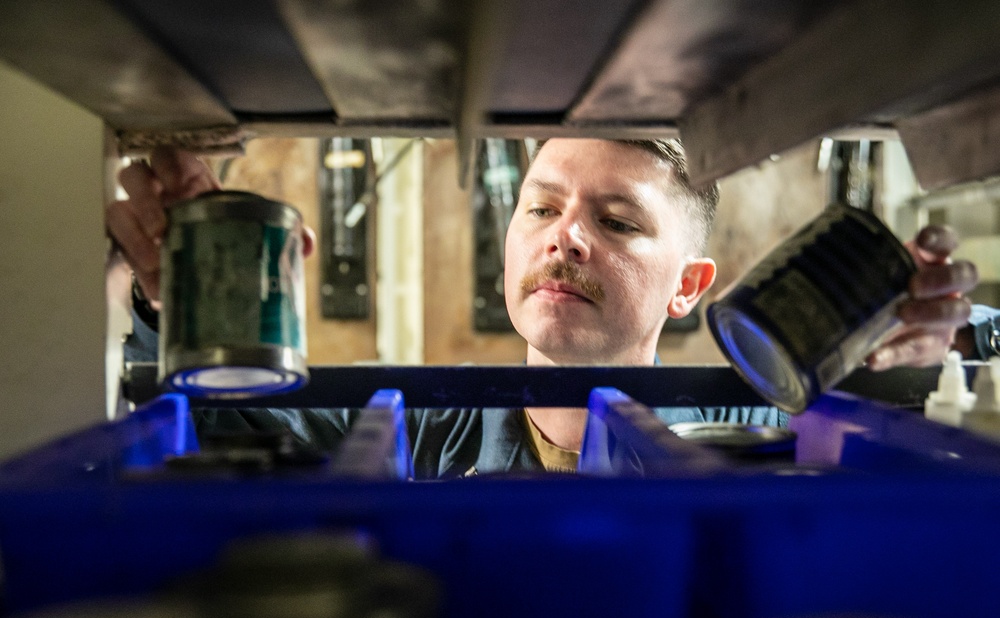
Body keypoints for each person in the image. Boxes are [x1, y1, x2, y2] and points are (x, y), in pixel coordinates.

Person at [109, 138, 983, 478]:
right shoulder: (406, 424)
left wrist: (898, 368)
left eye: (616, 220)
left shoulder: (749, 433)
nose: (565, 238)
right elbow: (227, 429)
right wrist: (173, 300)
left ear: (688, 286)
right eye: (541, 207)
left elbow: (869, 463)